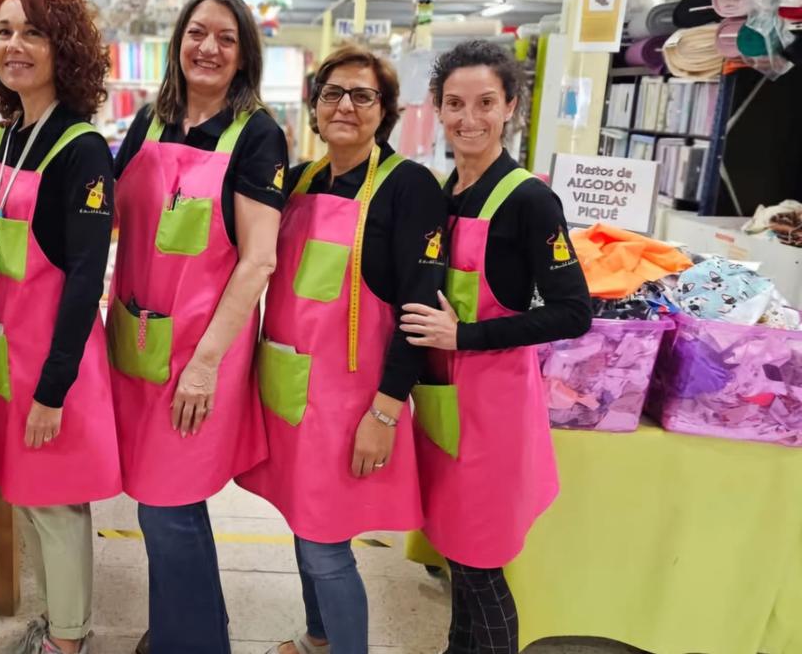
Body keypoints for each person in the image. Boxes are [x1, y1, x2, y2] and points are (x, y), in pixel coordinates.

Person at [238, 46, 446, 654]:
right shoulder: (301, 179)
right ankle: (317, 639)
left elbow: (419, 311)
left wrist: (385, 412)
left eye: (363, 95)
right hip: (288, 388)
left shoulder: (409, 187)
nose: (345, 107)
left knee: (327, 546)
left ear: (385, 111)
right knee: (304, 526)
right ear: (314, 106)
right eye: (332, 94)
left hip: (350, 401)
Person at [109, 0, 287, 654]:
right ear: (177, 41)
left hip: (199, 351)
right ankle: (187, 632)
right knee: (161, 508)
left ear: (245, 54)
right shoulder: (150, 120)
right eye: (196, 33)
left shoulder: (258, 133)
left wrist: (206, 364)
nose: (207, 48)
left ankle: (195, 643)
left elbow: (257, 261)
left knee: (168, 504)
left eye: (225, 37)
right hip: (139, 338)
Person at [399, 40, 591, 654]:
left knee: (481, 567)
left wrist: (466, 335)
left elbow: (573, 311)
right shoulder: (443, 194)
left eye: (485, 103)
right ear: (437, 108)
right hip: (443, 406)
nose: (469, 118)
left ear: (510, 106)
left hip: (493, 415)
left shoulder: (530, 200)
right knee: (458, 555)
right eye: (454, 104)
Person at [0, 0, 122, 654]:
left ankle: (69, 639)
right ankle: (56, 618)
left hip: (53, 361)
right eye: (4, 31)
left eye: (32, 31)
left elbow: (85, 278)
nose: (15, 45)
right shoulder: (7, 138)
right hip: (7, 354)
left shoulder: (80, 149)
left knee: (56, 504)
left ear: (63, 47)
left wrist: (53, 389)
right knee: (25, 497)